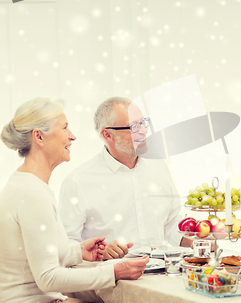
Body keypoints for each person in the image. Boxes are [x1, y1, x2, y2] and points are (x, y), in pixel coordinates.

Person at [0, 98, 148, 303]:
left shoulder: (27, 185)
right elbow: (48, 278)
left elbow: (34, 255)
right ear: (39, 137)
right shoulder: (31, 193)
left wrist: (77, 252)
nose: (72, 136)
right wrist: (114, 272)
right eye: (64, 128)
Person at [58, 97, 186, 260]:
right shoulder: (78, 181)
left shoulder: (158, 167)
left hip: (161, 276)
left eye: (144, 123)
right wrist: (100, 253)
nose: (144, 131)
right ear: (108, 135)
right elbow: (64, 244)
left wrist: (199, 240)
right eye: (134, 126)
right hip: (112, 281)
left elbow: (171, 223)